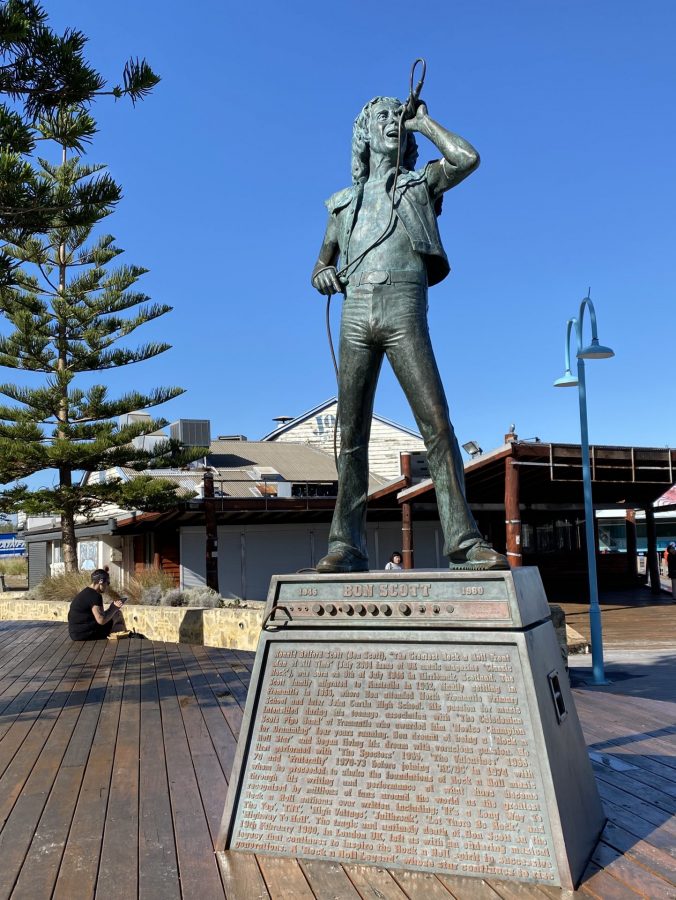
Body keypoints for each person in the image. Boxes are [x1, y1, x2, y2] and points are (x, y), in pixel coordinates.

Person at [311, 93, 508, 574]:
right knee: (350, 432)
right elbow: (322, 262)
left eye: (397, 116)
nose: (392, 122)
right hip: (355, 310)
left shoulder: (420, 186)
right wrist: (321, 274)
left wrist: (423, 121)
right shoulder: (342, 203)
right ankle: (346, 544)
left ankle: (463, 542)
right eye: (383, 116)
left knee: (437, 424)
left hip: (403, 307)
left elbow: (467, 159)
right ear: (364, 132)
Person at [68, 568, 127, 641]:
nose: (107, 586)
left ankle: (124, 638)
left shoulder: (86, 592)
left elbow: (99, 616)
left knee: (117, 622)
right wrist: (114, 608)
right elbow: (101, 620)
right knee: (118, 616)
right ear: (101, 581)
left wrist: (113, 608)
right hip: (85, 634)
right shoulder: (95, 596)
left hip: (75, 633)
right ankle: (126, 640)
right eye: (107, 583)